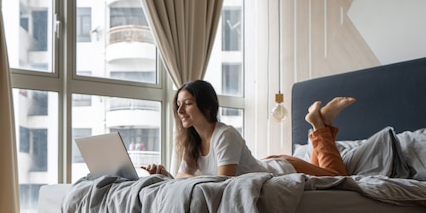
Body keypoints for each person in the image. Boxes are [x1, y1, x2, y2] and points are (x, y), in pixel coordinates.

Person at [142, 79, 354, 178]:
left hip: (285, 170)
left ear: (207, 107)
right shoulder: (192, 143)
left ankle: (320, 124)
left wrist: (185, 178)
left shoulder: (225, 135)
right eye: (178, 105)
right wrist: (166, 176)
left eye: (187, 103)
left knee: (337, 178)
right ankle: (321, 123)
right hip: (270, 163)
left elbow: (223, 183)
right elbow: (182, 178)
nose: (180, 111)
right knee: (326, 174)